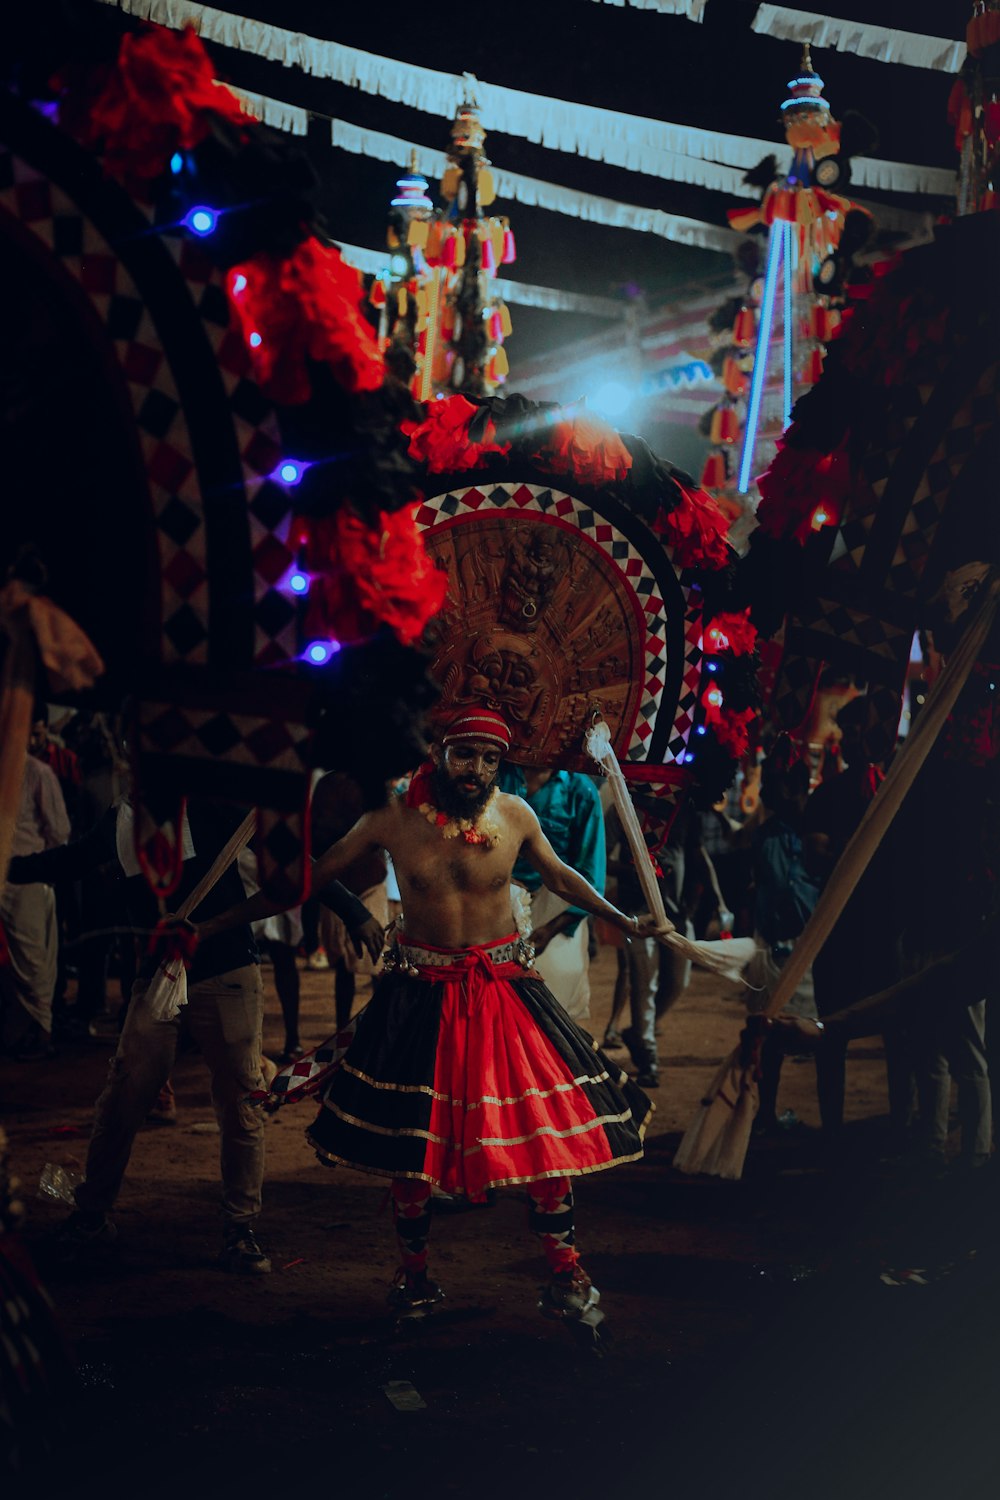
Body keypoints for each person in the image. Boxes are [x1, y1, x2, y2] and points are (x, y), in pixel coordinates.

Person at [197, 707, 668, 1336]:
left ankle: (566, 1269)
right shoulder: (392, 818)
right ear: (440, 752)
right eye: (465, 755)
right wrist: (211, 924)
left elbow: (560, 875)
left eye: (490, 759)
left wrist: (627, 918)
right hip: (419, 998)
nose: (476, 770)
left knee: (542, 1135)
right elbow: (308, 879)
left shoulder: (516, 816)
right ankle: (413, 1271)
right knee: (413, 1146)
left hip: (506, 995)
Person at [6, 794, 380, 1272]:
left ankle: (240, 1228)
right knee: (123, 1096)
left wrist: (354, 910)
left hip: (228, 975)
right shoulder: (118, 821)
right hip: (157, 979)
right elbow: (66, 862)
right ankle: (92, 1216)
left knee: (242, 1101)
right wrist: (9, 866)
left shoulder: (213, 808)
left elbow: (293, 862)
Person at [497, 762, 605, 1023]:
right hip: (495, 903)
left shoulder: (581, 791)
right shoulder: (495, 773)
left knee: (551, 1010)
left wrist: (550, 929)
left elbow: (590, 875)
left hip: (557, 909)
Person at [0, 752, 70, 1059]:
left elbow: (59, 831)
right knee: (13, 968)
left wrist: (45, 871)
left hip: (26, 877)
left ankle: (40, 1034)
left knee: (34, 963)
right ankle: (17, 1035)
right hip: (10, 877)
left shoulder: (37, 772)